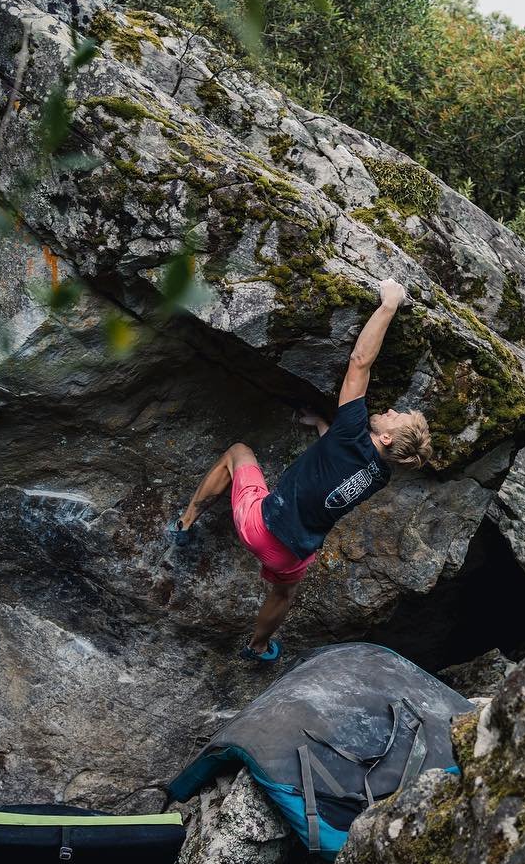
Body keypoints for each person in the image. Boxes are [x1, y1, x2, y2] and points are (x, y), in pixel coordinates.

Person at [170, 278, 433, 661]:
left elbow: (360, 362)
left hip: (260, 526)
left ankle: (185, 524)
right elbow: (337, 462)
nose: (390, 411)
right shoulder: (380, 474)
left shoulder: (351, 432)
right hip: (290, 556)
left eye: (395, 418)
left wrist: (389, 304)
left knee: (239, 452)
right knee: (284, 593)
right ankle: (257, 646)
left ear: (388, 439)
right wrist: (322, 426)